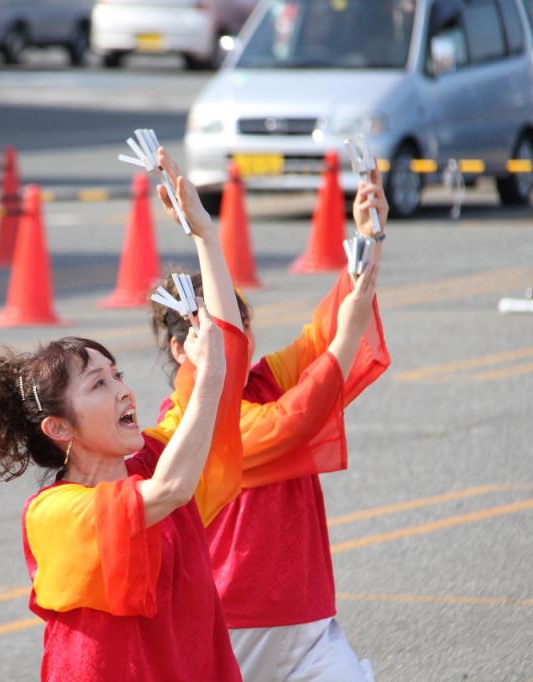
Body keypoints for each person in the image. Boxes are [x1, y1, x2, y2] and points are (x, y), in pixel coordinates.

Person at [0, 150, 249, 681]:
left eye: (119, 374)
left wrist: (204, 236)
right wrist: (212, 376)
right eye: (99, 383)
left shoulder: (150, 458)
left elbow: (226, 363)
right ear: (59, 428)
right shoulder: (55, 512)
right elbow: (172, 489)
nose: (124, 390)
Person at [150, 170, 391, 681]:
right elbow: (291, 422)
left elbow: (318, 339)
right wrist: (345, 341)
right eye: (225, 330)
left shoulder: (260, 382)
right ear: (180, 348)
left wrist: (367, 243)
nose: (242, 341)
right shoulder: (192, 423)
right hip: (237, 622)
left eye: (243, 325)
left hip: (307, 619)